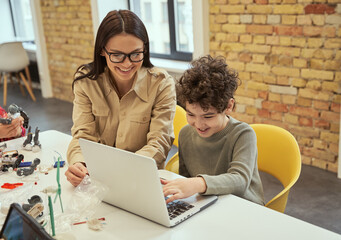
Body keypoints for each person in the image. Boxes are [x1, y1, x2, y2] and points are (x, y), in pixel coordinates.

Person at [65, 10, 176, 186]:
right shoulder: (86, 81)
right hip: (96, 178)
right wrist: (79, 164)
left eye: (135, 54)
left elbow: (159, 142)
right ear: (102, 51)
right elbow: (83, 135)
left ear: (144, 49)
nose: (127, 64)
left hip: (139, 178)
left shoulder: (161, 84)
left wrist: (124, 170)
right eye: (117, 55)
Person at [162, 55, 265, 205]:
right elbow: (187, 179)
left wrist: (198, 184)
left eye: (208, 116)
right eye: (190, 114)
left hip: (243, 206)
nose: (198, 124)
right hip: (208, 202)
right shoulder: (185, 133)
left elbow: (240, 180)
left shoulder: (243, 134)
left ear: (228, 107)